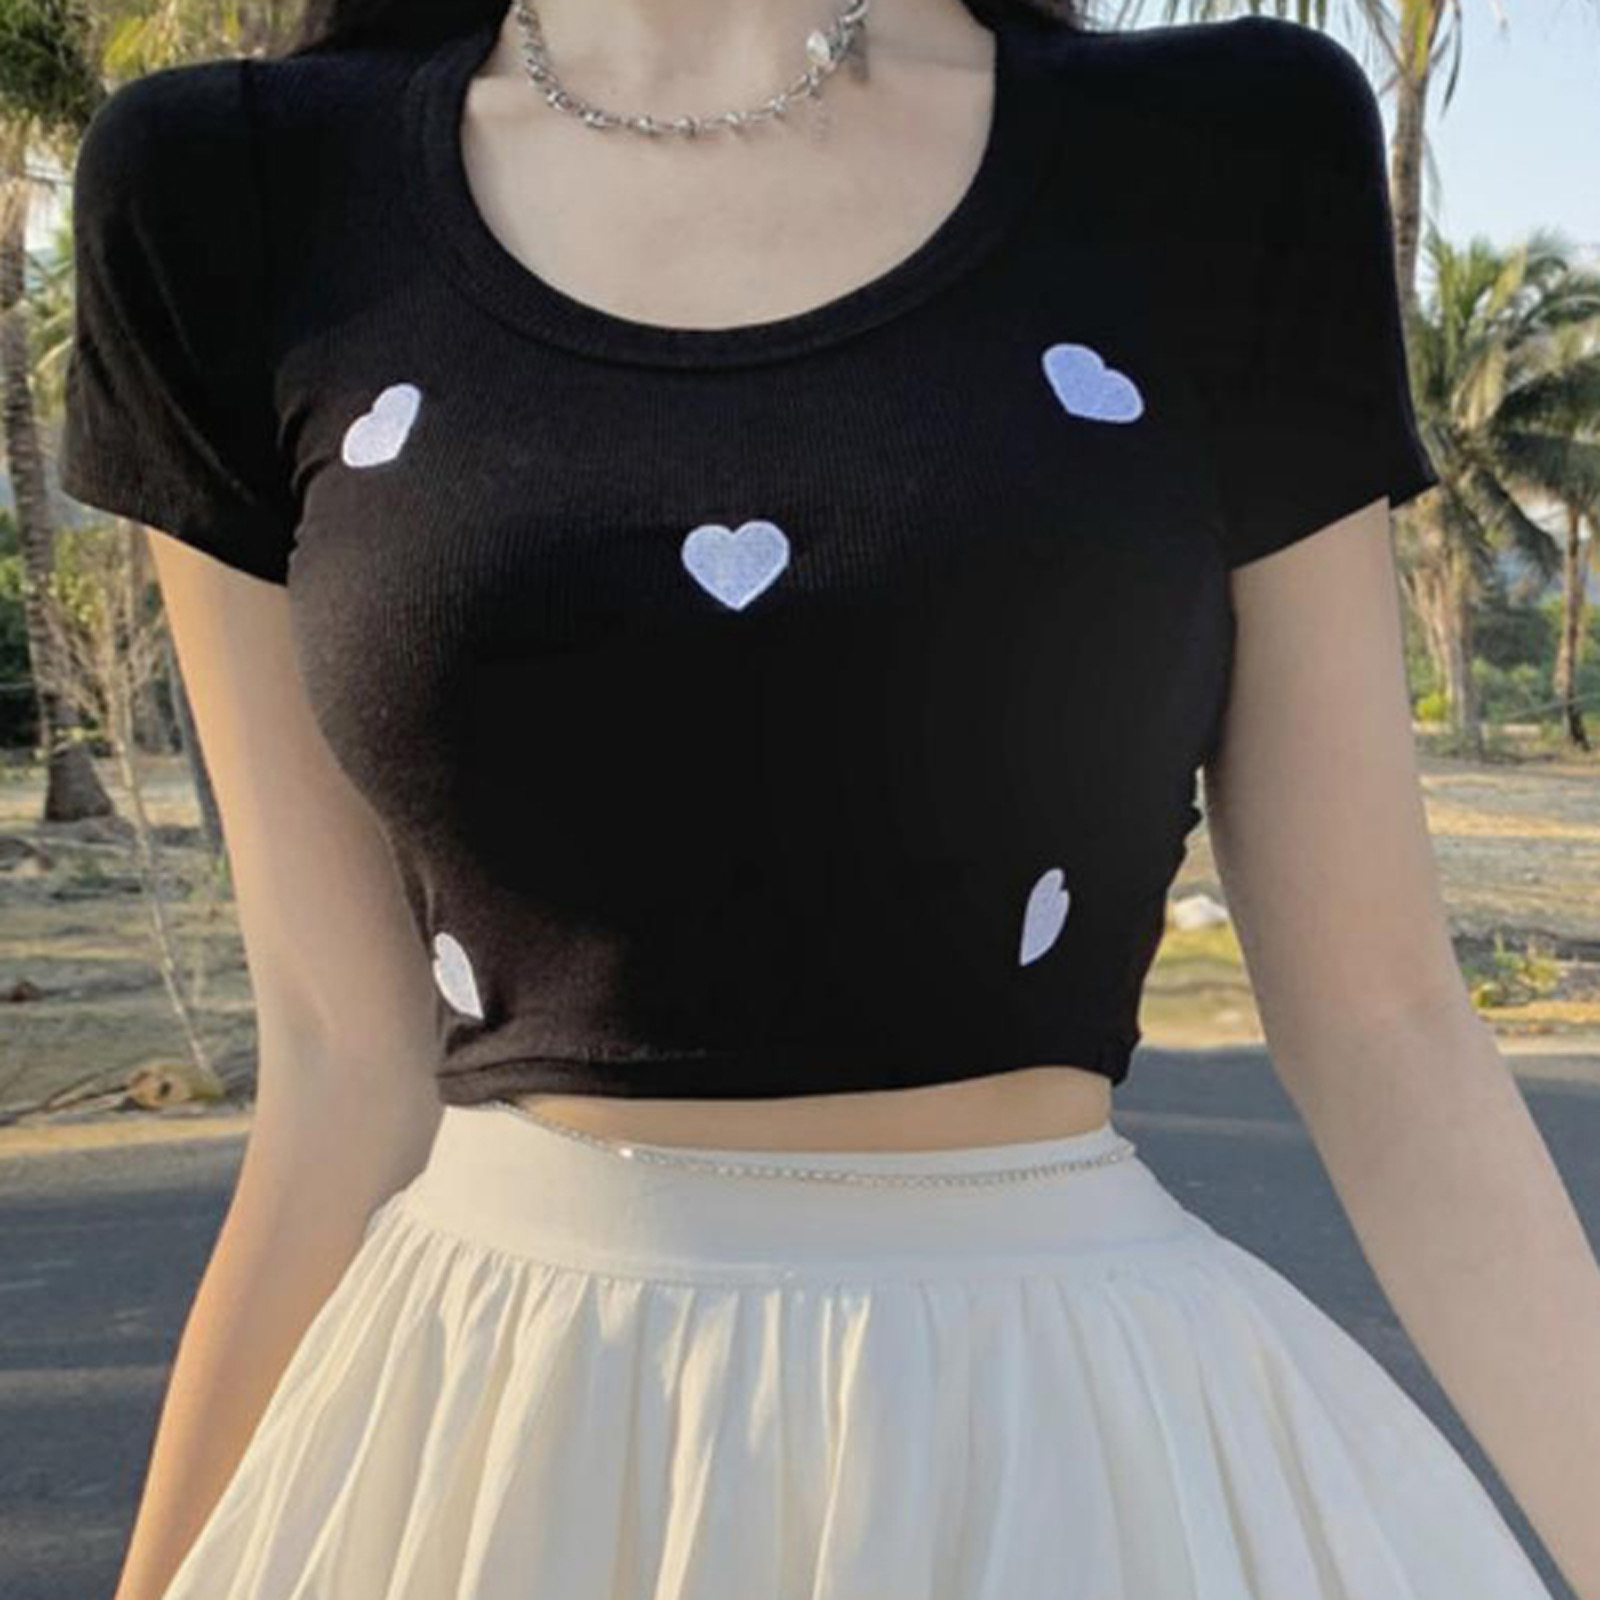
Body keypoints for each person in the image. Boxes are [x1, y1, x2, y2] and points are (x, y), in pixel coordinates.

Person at [56, 0, 1600, 1595]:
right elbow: (340, 1066)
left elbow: (1384, 1024)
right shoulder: (230, 189)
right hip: (498, 1448)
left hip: (1073, 1459)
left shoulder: (1221, 149)